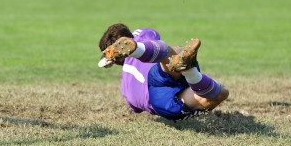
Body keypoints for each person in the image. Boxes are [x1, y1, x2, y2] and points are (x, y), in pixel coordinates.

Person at [98, 23, 229, 121]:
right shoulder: (141, 34)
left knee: (219, 93)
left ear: (113, 61)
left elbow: (136, 107)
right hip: (157, 72)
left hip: (158, 100)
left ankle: (188, 71)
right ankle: (188, 70)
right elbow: (150, 34)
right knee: (169, 51)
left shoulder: (125, 89)